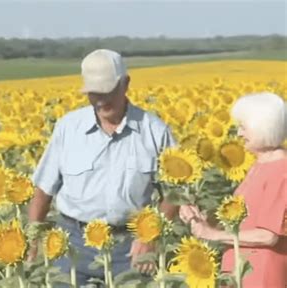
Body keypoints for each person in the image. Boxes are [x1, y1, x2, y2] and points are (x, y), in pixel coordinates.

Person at [27, 49, 178, 286]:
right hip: (72, 243)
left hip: (130, 247)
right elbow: (44, 188)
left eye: (108, 92)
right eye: (94, 93)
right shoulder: (69, 128)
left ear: (126, 84)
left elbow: (174, 193)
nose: (101, 100)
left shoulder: (154, 130)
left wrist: (150, 235)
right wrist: (33, 236)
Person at [180, 92, 287, 288]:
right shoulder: (260, 165)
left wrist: (213, 234)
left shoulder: (281, 171)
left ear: (263, 128)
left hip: (261, 276)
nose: (238, 134)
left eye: (244, 128)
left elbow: (268, 235)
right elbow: (245, 221)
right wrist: (203, 220)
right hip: (240, 273)